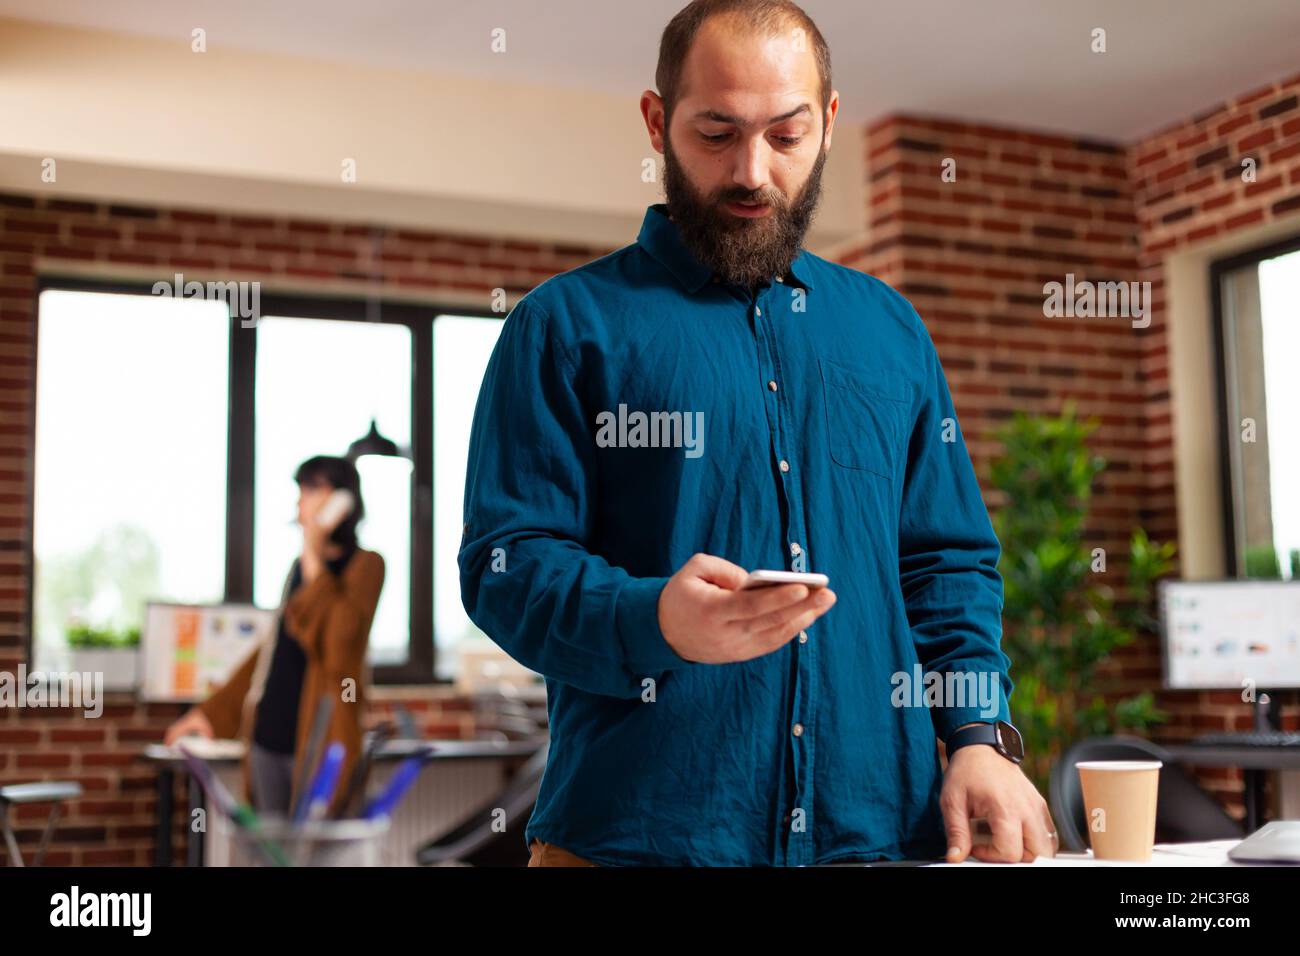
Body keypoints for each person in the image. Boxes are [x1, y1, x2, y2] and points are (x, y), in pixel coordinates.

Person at [459, 0, 1056, 866]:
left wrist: (977, 735)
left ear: (829, 123)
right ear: (658, 123)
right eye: (716, 133)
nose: (752, 172)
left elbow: (946, 562)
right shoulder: (563, 327)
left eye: (785, 136)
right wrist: (652, 617)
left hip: (880, 839)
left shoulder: (889, 331)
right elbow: (504, 565)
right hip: (633, 842)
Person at [165, 455, 385, 817]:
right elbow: (273, 650)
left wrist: (314, 553)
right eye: (301, 490)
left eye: (314, 488)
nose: (301, 500)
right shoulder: (297, 570)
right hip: (268, 741)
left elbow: (339, 648)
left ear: (343, 500)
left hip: (321, 744)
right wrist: (209, 713)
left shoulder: (368, 565)